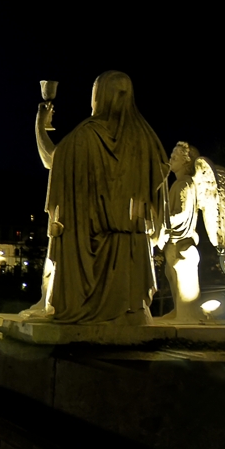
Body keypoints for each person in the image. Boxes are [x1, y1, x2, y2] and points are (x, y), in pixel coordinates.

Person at [30, 71, 168, 325]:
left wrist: (40, 124)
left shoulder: (87, 135)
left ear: (99, 97)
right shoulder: (146, 139)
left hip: (87, 241)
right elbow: (156, 190)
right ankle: (131, 311)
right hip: (131, 247)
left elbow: (53, 158)